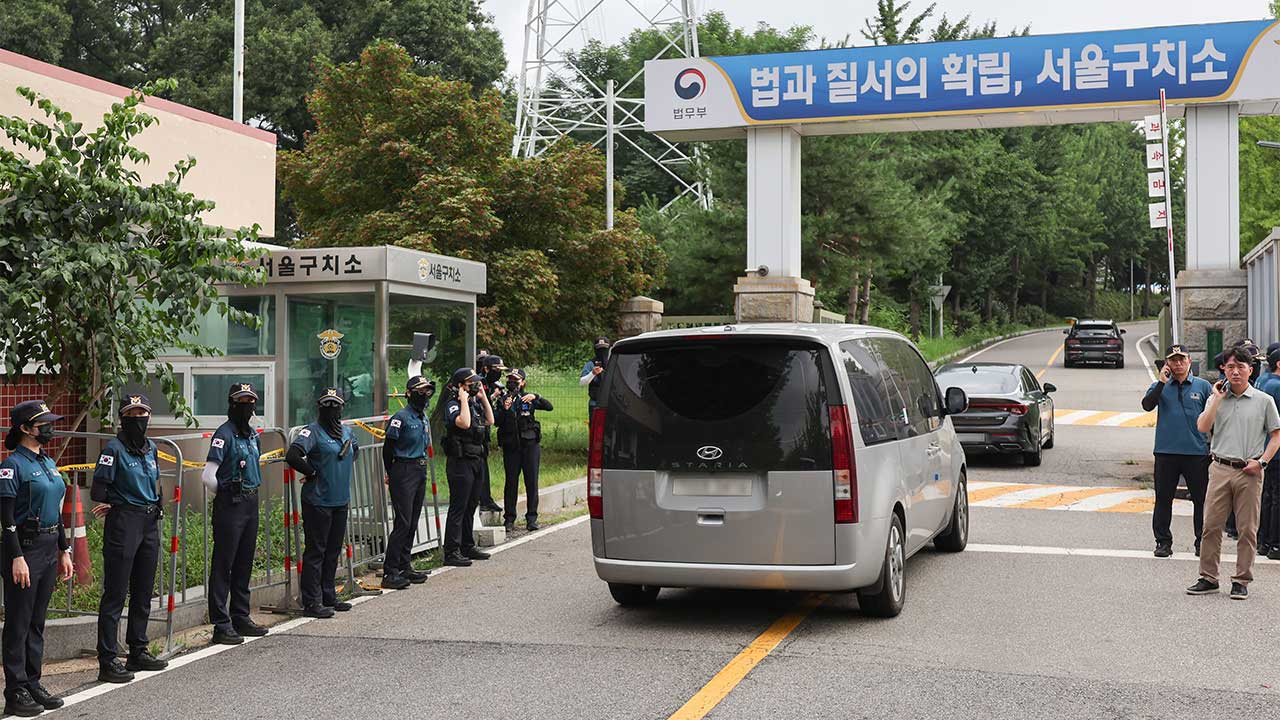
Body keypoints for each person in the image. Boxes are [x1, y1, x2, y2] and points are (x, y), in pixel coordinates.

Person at [1187, 346, 1280, 600]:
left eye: (1241, 367)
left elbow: (1276, 435)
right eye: (1230, 367)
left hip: (1249, 471)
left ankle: (1241, 579)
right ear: (1223, 370)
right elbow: (1203, 427)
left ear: (1250, 370)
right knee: (1211, 526)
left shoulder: (1264, 401)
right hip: (1219, 467)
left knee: (1247, 529)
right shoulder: (1216, 397)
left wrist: (1262, 462)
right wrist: (1216, 399)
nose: (1235, 372)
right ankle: (1208, 576)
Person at [1, 400, 74, 716]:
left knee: (37, 621)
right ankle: (15, 690)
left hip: (47, 546)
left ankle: (33, 682)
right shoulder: (12, 465)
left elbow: (55, 513)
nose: (50, 427)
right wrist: (16, 556)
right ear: (25, 429)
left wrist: (65, 549)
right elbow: (5, 517)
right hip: (24, 549)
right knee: (18, 622)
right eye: (43, 423)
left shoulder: (47, 462)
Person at [92, 394, 168, 684]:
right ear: (122, 419)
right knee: (115, 594)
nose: (138, 417)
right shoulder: (113, 449)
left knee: (143, 590)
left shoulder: (151, 449)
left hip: (149, 521)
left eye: (143, 412)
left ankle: (138, 649)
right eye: (132, 413)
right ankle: (108, 659)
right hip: (125, 523)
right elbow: (99, 490)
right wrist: (118, 502)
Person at [202, 383, 268, 645]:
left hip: (251, 502)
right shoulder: (224, 434)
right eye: (241, 401)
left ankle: (241, 615)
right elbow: (208, 476)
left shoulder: (252, 435)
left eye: (250, 401)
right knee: (224, 564)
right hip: (231, 503)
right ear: (232, 404)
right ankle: (221, 623)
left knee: (244, 562)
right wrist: (226, 494)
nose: (247, 406)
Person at [286, 388, 359, 618]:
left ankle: (329, 595)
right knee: (316, 551)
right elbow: (293, 455)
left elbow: (353, 453)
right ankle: (312, 601)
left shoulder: (347, 431)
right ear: (319, 407)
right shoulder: (312, 432)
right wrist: (312, 471)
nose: (331, 409)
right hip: (318, 500)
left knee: (333, 550)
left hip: (340, 499)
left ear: (342, 408)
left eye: (335, 405)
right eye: (327, 405)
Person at [1141, 345, 1212, 558]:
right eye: (1173, 360)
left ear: (1189, 361)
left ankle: (1202, 541)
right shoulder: (1158, 386)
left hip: (1196, 453)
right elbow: (1147, 405)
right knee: (1163, 498)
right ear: (1167, 364)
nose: (1178, 364)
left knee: (1201, 499)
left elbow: (1213, 418)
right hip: (1166, 452)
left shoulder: (1203, 386)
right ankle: (1163, 541)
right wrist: (1162, 382)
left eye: (1182, 360)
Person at [381, 376, 435, 590]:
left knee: (412, 520)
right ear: (409, 393)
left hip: (419, 469)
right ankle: (390, 571)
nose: (424, 395)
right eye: (420, 391)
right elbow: (388, 447)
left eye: (427, 391)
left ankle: (405, 565)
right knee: (402, 522)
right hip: (403, 469)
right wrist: (390, 472)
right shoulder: (400, 418)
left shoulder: (422, 417)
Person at [440, 368, 493, 567]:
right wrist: (463, 399)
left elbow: (490, 420)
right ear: (460, 385)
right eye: (470, 384)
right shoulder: (453, 404)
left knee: (471, 504)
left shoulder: (473, 403)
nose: (475, 386)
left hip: (476, 459)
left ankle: (466, 545)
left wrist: (483, 397)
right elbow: (464, 423)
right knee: (458, 507)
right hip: (460, 462)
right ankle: (451, 550)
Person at [496, 369, 553, 533]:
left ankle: (532, 518)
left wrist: (537, 396)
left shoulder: (528, 398)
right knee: (511, 482)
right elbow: (496, 421)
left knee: (531, 481)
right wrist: (505, 408)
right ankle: (509, 519)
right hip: (511, 447)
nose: (512, 382)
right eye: (510, 380)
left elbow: (549, 407)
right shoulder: (503, 399)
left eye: (516, 380)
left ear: (523, 383)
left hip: (529, 446)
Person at [473, 355, 506, 515]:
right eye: (496, 369)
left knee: (483, 467)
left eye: (500, 370)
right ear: (486, 368)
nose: (498, 373)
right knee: (479, 468)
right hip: (474, 431)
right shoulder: (478, 383)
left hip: (484, 432)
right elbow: (477, 405)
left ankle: (485, 498)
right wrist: (492, 397)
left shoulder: (491, 384)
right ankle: (482, 499)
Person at [1257, 347, 1280, 561]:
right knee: (1277, 498)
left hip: (1265, 448)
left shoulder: (1263, 380)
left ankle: (1263, 541)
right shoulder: (1278, 386)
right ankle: (1275, 544)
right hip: (1276, 449)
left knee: (1268, 496)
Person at [580, 337, 610, 411]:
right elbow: (582, 383)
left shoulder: (613, 363)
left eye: (604, 349)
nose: (602, 352)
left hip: (611, 403)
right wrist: (592, 373)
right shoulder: (590, 364)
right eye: (599, 349)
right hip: (595, 404)